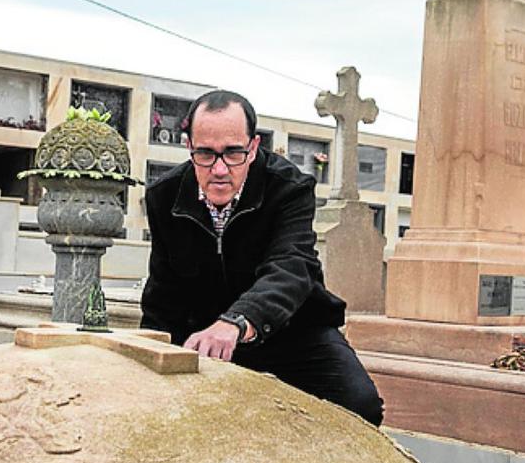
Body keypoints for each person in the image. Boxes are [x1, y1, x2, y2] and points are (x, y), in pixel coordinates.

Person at [140, 89, 384, 426]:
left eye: (233, 152)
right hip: (205, 337)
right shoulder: (164, 196)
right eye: (206, 154)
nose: (219, 169)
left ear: (253, 147)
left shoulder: (289, 187)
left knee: (361, 405)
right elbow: (163, 290)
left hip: (292, 329)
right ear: (189, 147)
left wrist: (238, 322)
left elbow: (291, 266)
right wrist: (149, 351)